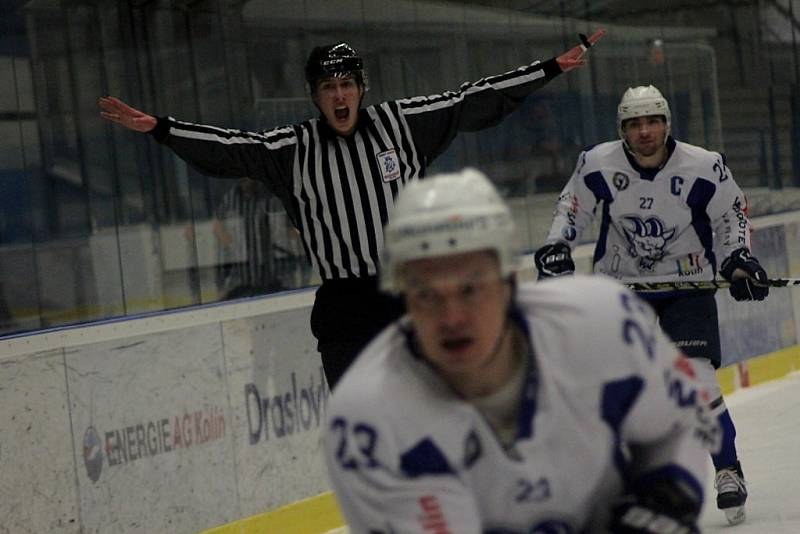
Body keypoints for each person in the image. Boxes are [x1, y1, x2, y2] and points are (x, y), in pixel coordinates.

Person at [98, 30, 606, 389]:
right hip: (345, 305)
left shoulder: (401, 124)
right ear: (314, 97)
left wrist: (549, 68)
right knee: (364, 427)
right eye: (328, 88)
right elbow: (230, 148)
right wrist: (161, 128)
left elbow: (471, 101)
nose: (339, 95)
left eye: (346, 85)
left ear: (361, 88)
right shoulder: (291, 149)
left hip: (412, 292)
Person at [323, 168, 719, 533]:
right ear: (403, 297)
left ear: (509, 283)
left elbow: (680, 420)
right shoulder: (367, 420)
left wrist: (667, 495)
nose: (451, 317)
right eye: (426, 294)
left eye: (470, 288)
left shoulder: (602, 324)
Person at [534, 85, 769, 526]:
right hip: (622, 291)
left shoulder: (704, 166)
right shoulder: (597, 162)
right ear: (622, 129)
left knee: (696, 377)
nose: (644, 131)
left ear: (667, 123)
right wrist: (557, 246)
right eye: (634, 124)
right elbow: (572, 206)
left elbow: (730, 215)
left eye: (652, 121)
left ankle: (727, 470)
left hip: (687, 285)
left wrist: (739, 259)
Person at [211, 177, 284, 299]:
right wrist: (228, 241)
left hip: (268, 273)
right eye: (242, 178)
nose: (246, 181)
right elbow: (217, 222)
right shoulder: (231, 197)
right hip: (241, 278)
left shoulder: (265, 195)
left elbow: (279, 222)